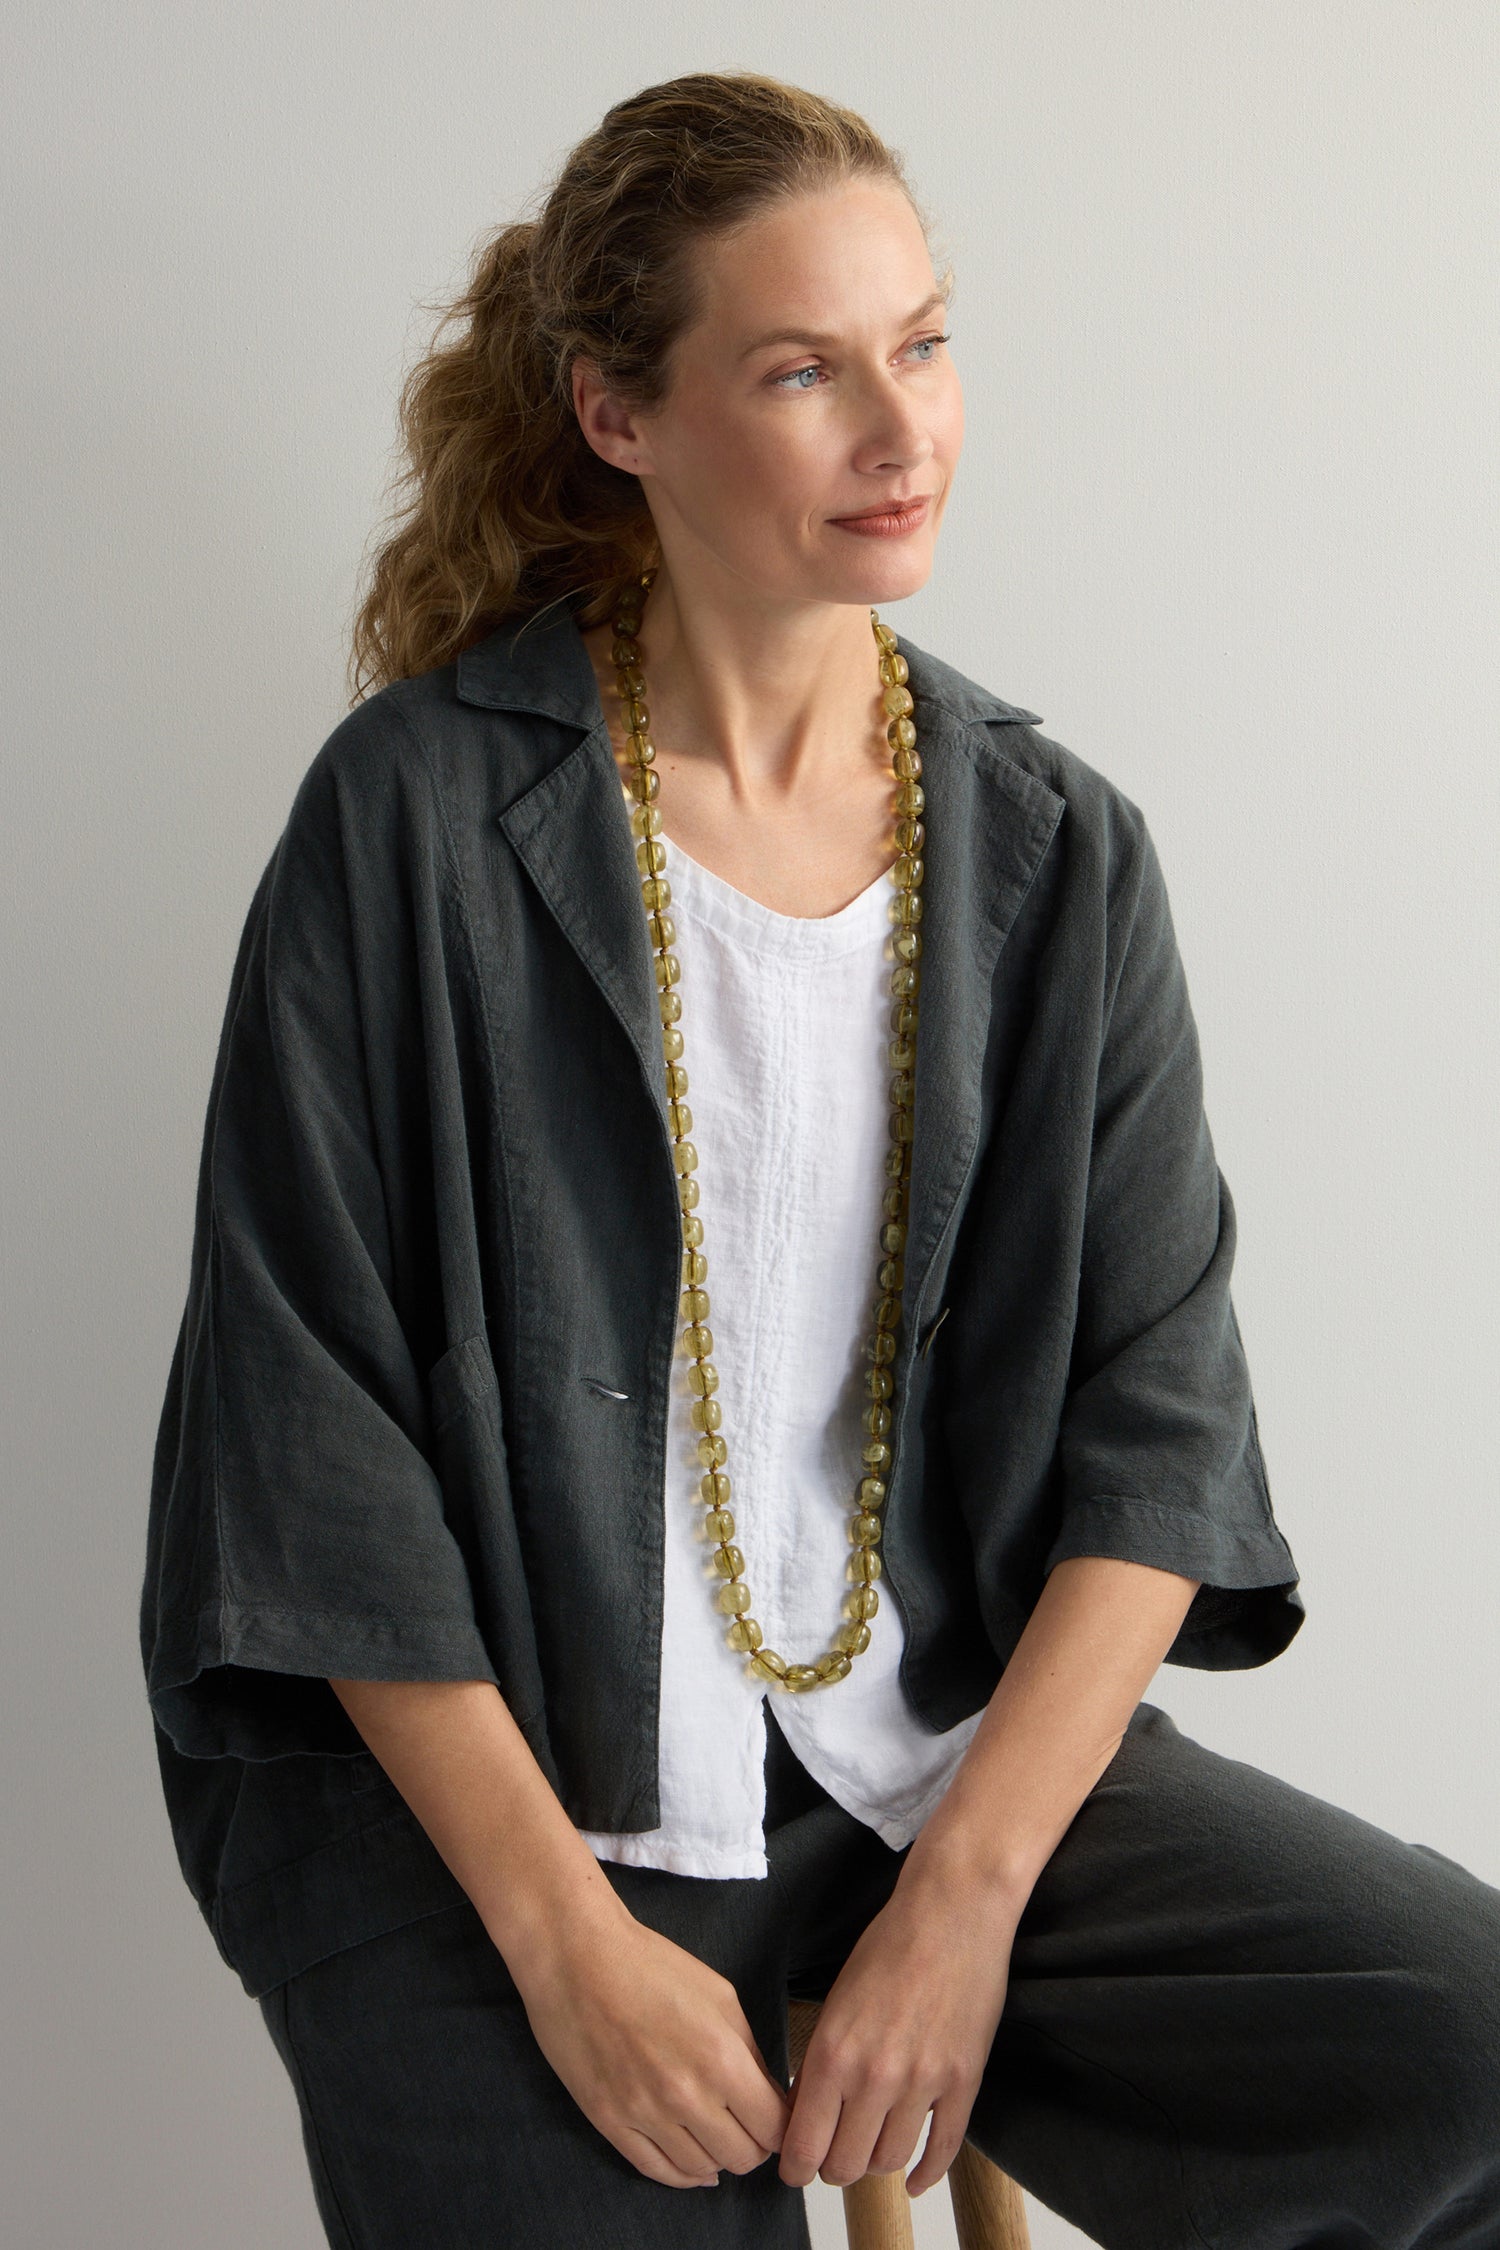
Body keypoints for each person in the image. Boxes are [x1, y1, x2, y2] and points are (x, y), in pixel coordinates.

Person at [139, 68, 1500, 2250]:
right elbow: (312, 1459)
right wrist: (574, 1949)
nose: (903, 428)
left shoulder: (1056, 857)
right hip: (492, 1821)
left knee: (1462, 2051)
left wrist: (964, 1901)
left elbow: (1158, 1432)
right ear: (619, 413)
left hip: (924, 1773)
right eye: (803, 369)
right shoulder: (410, 826)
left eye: (925, 342)